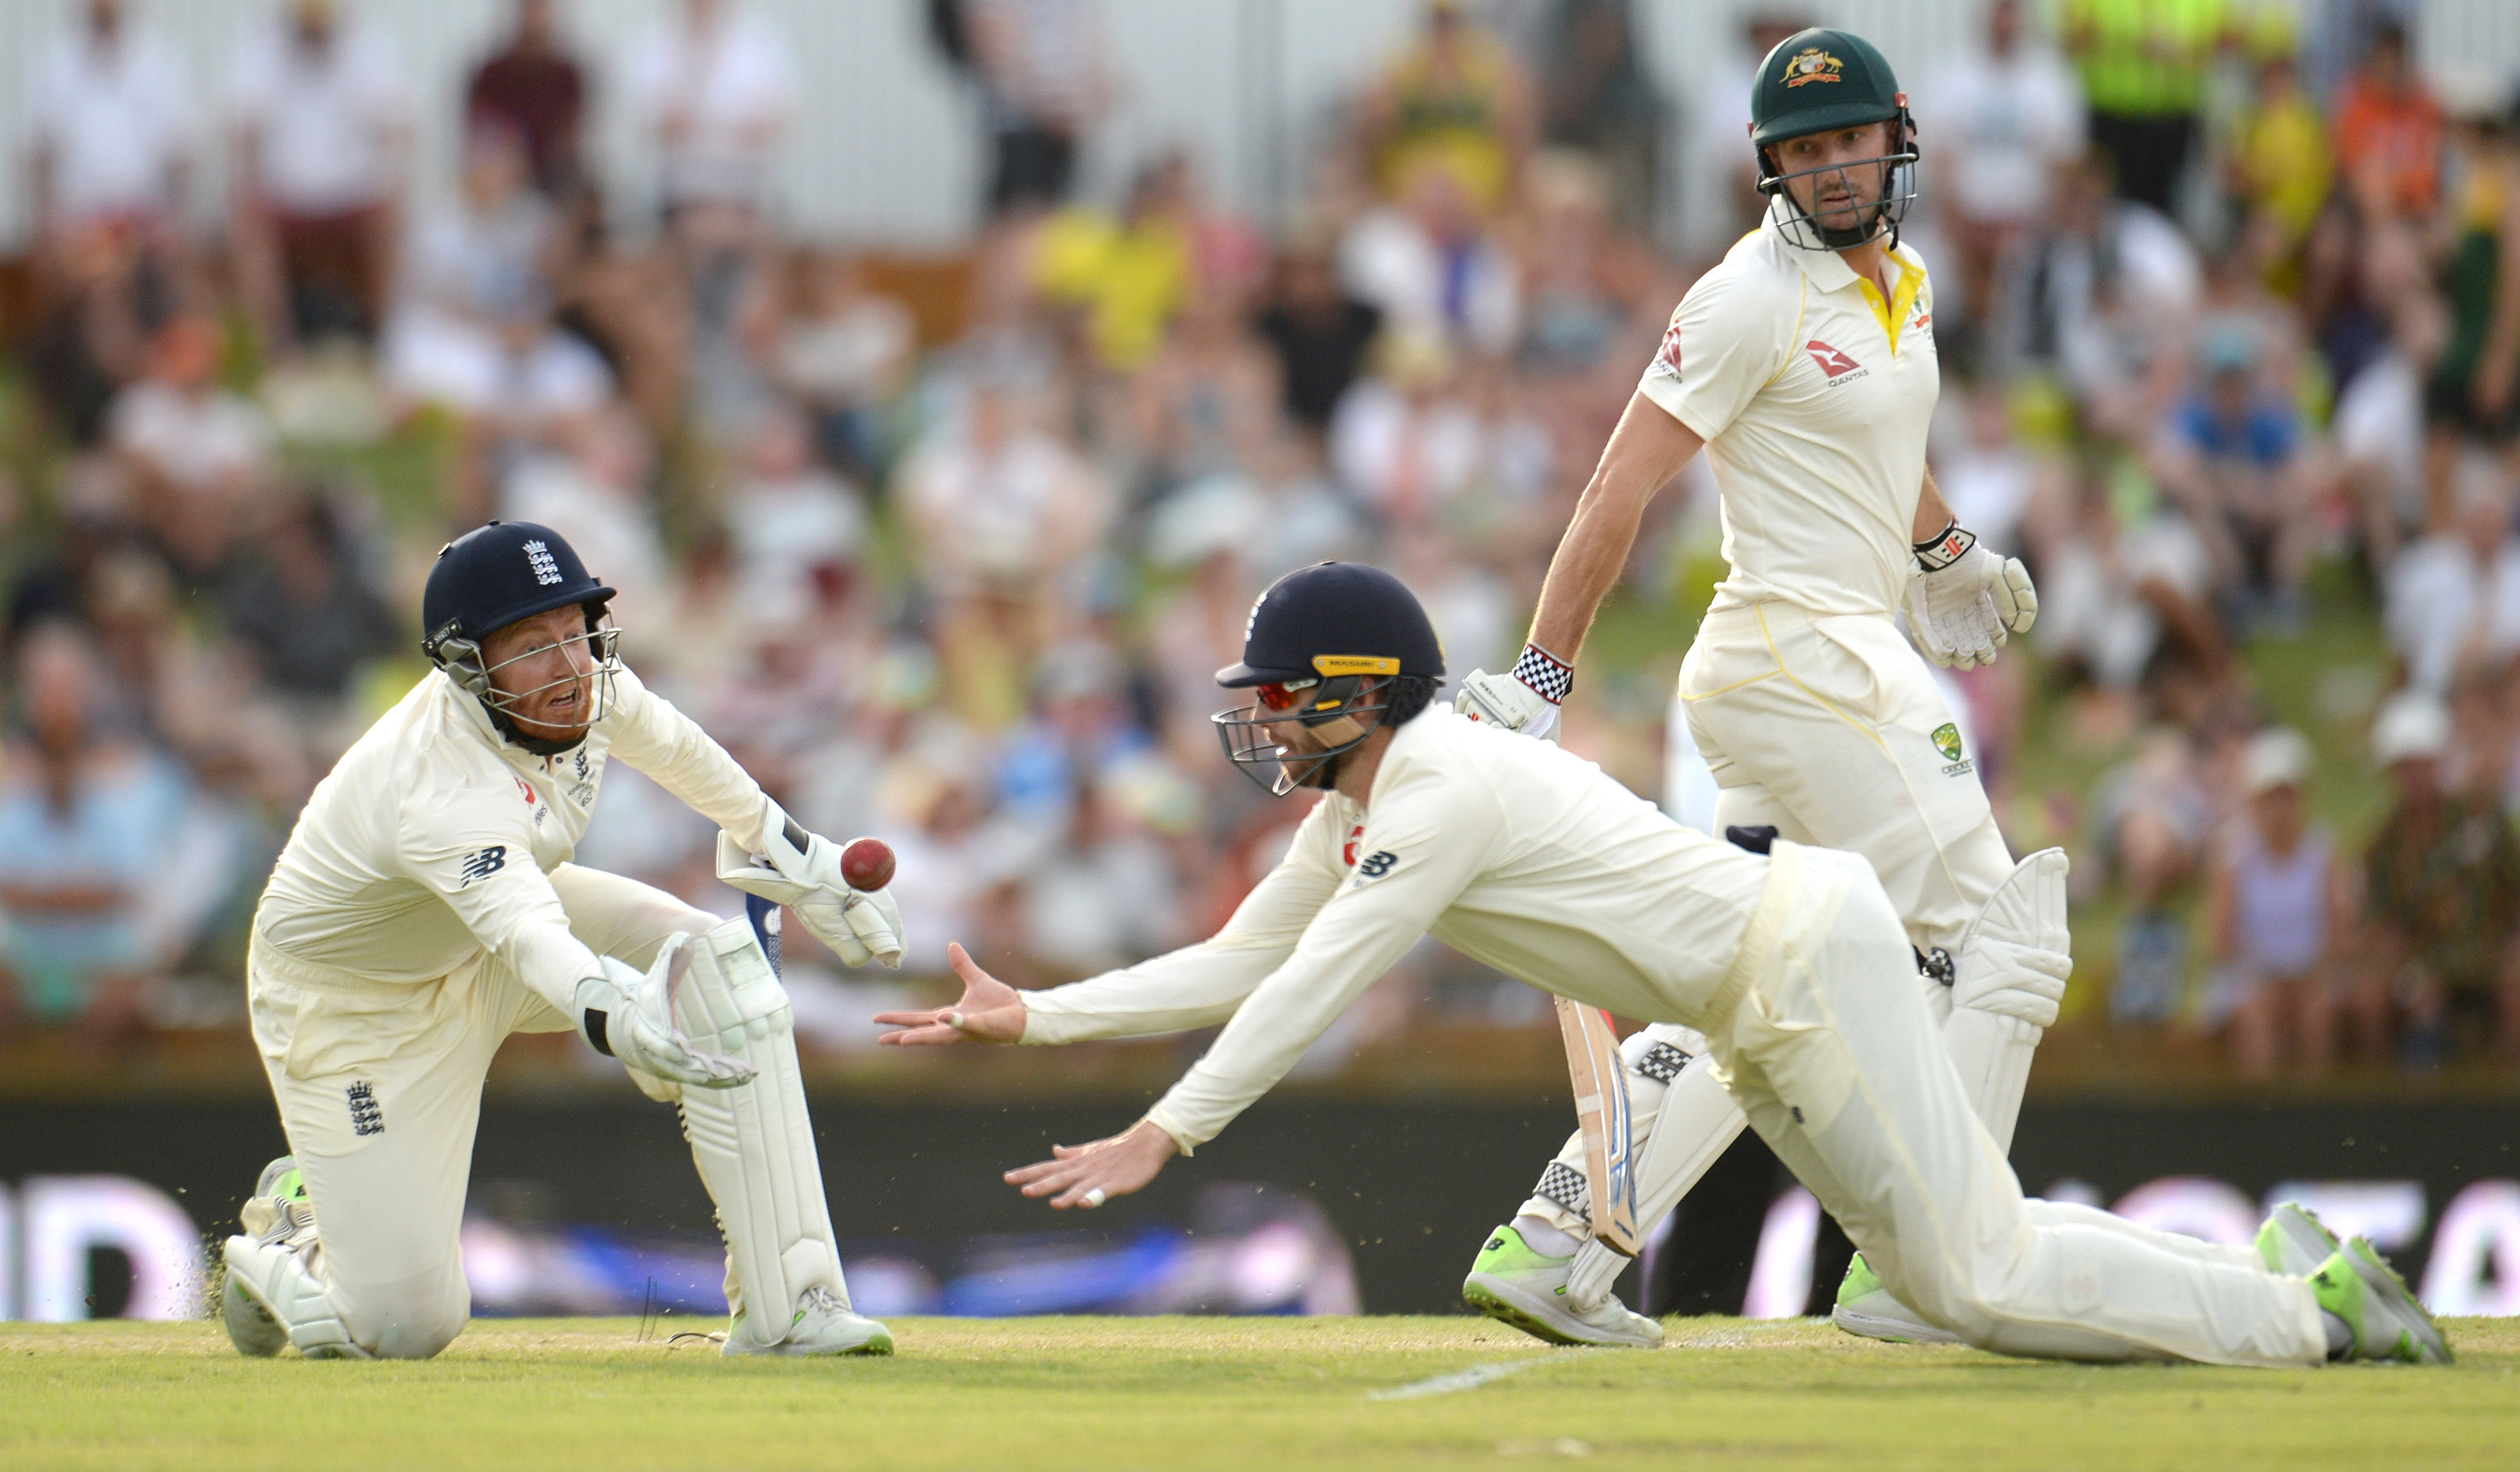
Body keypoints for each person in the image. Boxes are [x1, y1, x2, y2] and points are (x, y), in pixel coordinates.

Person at [875, 560, 2447, 1368]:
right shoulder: (1368, 798)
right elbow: (1233, 958)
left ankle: (2313, 1316)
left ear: (1362, 690)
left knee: (1962, 1280)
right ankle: (2279, 1280)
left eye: (1284, 697)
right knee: (1959, 1261)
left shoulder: (1435, 780)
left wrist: (1169, 1130)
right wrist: (1030, 1018)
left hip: (1803, 965)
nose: (1262, 724)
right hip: (1765, 997)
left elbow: (1311, 991)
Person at [1438, 28, 2056, 1348]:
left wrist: (1944, 551)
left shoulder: (1906, 283)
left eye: (1848, 143)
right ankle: (1928, 1267)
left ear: (1894, 136)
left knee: (1759, 987)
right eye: (1803, 151)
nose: (1832, 171)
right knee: (2002, 933)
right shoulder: (1742, 297)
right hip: (1797, 652)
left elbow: (1876, 449)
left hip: (1818, 658)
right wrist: (1541, 674)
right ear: (1767, 167)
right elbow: (1618, 486)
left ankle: (1557, 1239)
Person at [217, 520, 903, 1359]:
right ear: (467, 663)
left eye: (576, 633)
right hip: (354, 1012)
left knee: (721, 973)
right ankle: (301, 1225)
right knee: (399, 1330)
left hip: (487, 936)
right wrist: (613, 1016)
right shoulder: (438, 785)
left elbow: (685, 755)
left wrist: (805, 861)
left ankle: (790, 1311)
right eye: (532, 645)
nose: (569, 666)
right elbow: (527, 933)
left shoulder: (592, 686)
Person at [2202, 727, 2353, 1080]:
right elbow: (2221, 942)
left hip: (2312, 976)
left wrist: (2308, 978)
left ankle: (2316, 1107)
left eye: (2287, 796)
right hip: (2251, 977)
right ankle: (2263, 1113)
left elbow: (2340, 932)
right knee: (2256, 1013)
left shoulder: (2324, 853)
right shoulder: (2233, 857)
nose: (2280, 808)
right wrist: (2267, 978)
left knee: (2318, 1012)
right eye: (2270, 797)